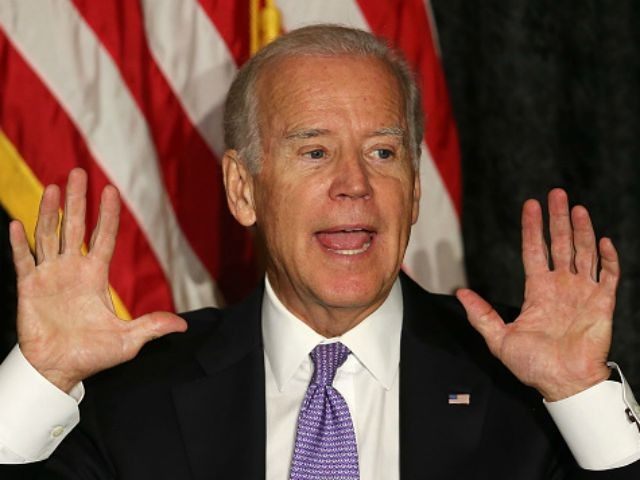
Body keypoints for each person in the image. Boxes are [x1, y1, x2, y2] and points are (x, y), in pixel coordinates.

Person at [0, 24, 639, 479]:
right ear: (243, 189)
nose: (354, 183)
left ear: (415, 191)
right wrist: (40, 381)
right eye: (314, 151)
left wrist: (580, 393)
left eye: (383, 153)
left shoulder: (527, 386)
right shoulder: (136, 397)